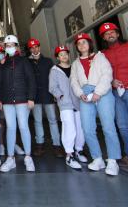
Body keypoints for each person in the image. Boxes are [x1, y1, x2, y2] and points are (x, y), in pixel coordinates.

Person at [70, 33, 121, 176]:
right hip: (85, 95)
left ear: (90, 44)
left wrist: (98, 92)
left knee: (108, 127)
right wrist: (80, 94)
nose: (82, 45)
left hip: (102, 93)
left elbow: (107, 74)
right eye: (79, 44)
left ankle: (112, 160)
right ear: (77, 47)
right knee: (87, 128)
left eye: (84, 42)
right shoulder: (75, 63)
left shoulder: (100, 57)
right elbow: (73, 81)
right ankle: (97, 158)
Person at [0, 35, 37, 173]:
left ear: (17, 46)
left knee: (24, 126)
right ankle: (10, 158)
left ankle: (28, 157)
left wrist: (31, 98)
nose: (9, 47)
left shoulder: (24, 61)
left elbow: (31, 80)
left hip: (22, 100)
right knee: (11, 128)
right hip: (7, 101)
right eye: (7, 46)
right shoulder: (3, 63)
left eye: (12, 45)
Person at [49, 45, 87, 169]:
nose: (64, 56)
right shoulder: (54, 70)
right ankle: (69, 155)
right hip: (65, 104)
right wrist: (60, 96)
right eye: (61, 54)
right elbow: (52, 87)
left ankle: (79, 150)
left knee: (80, 127)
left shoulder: (75, 67)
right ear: (57, 57)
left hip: (78, 101)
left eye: (65, 53)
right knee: (69, 127)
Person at [27, 38, 63, 158]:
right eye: (32, 47)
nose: (34, 49)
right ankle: (40, 145)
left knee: (52, 120)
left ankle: (57, 145)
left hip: (48, 95)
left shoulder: (48, 61)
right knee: (37, 121)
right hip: (35, 97)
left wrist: (55, 93)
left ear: (39, 47)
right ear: (30, 49)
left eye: (36, 46)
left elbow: (54, 78)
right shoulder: (27, 62)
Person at [100, 22, 128, 166]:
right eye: (106, 33)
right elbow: (101, 74)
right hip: (115, 93)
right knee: (122, 125)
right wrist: (111, 83)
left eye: (112, 32)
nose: (110, 34)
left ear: (117, 34)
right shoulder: (102, 55)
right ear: (104, 38)